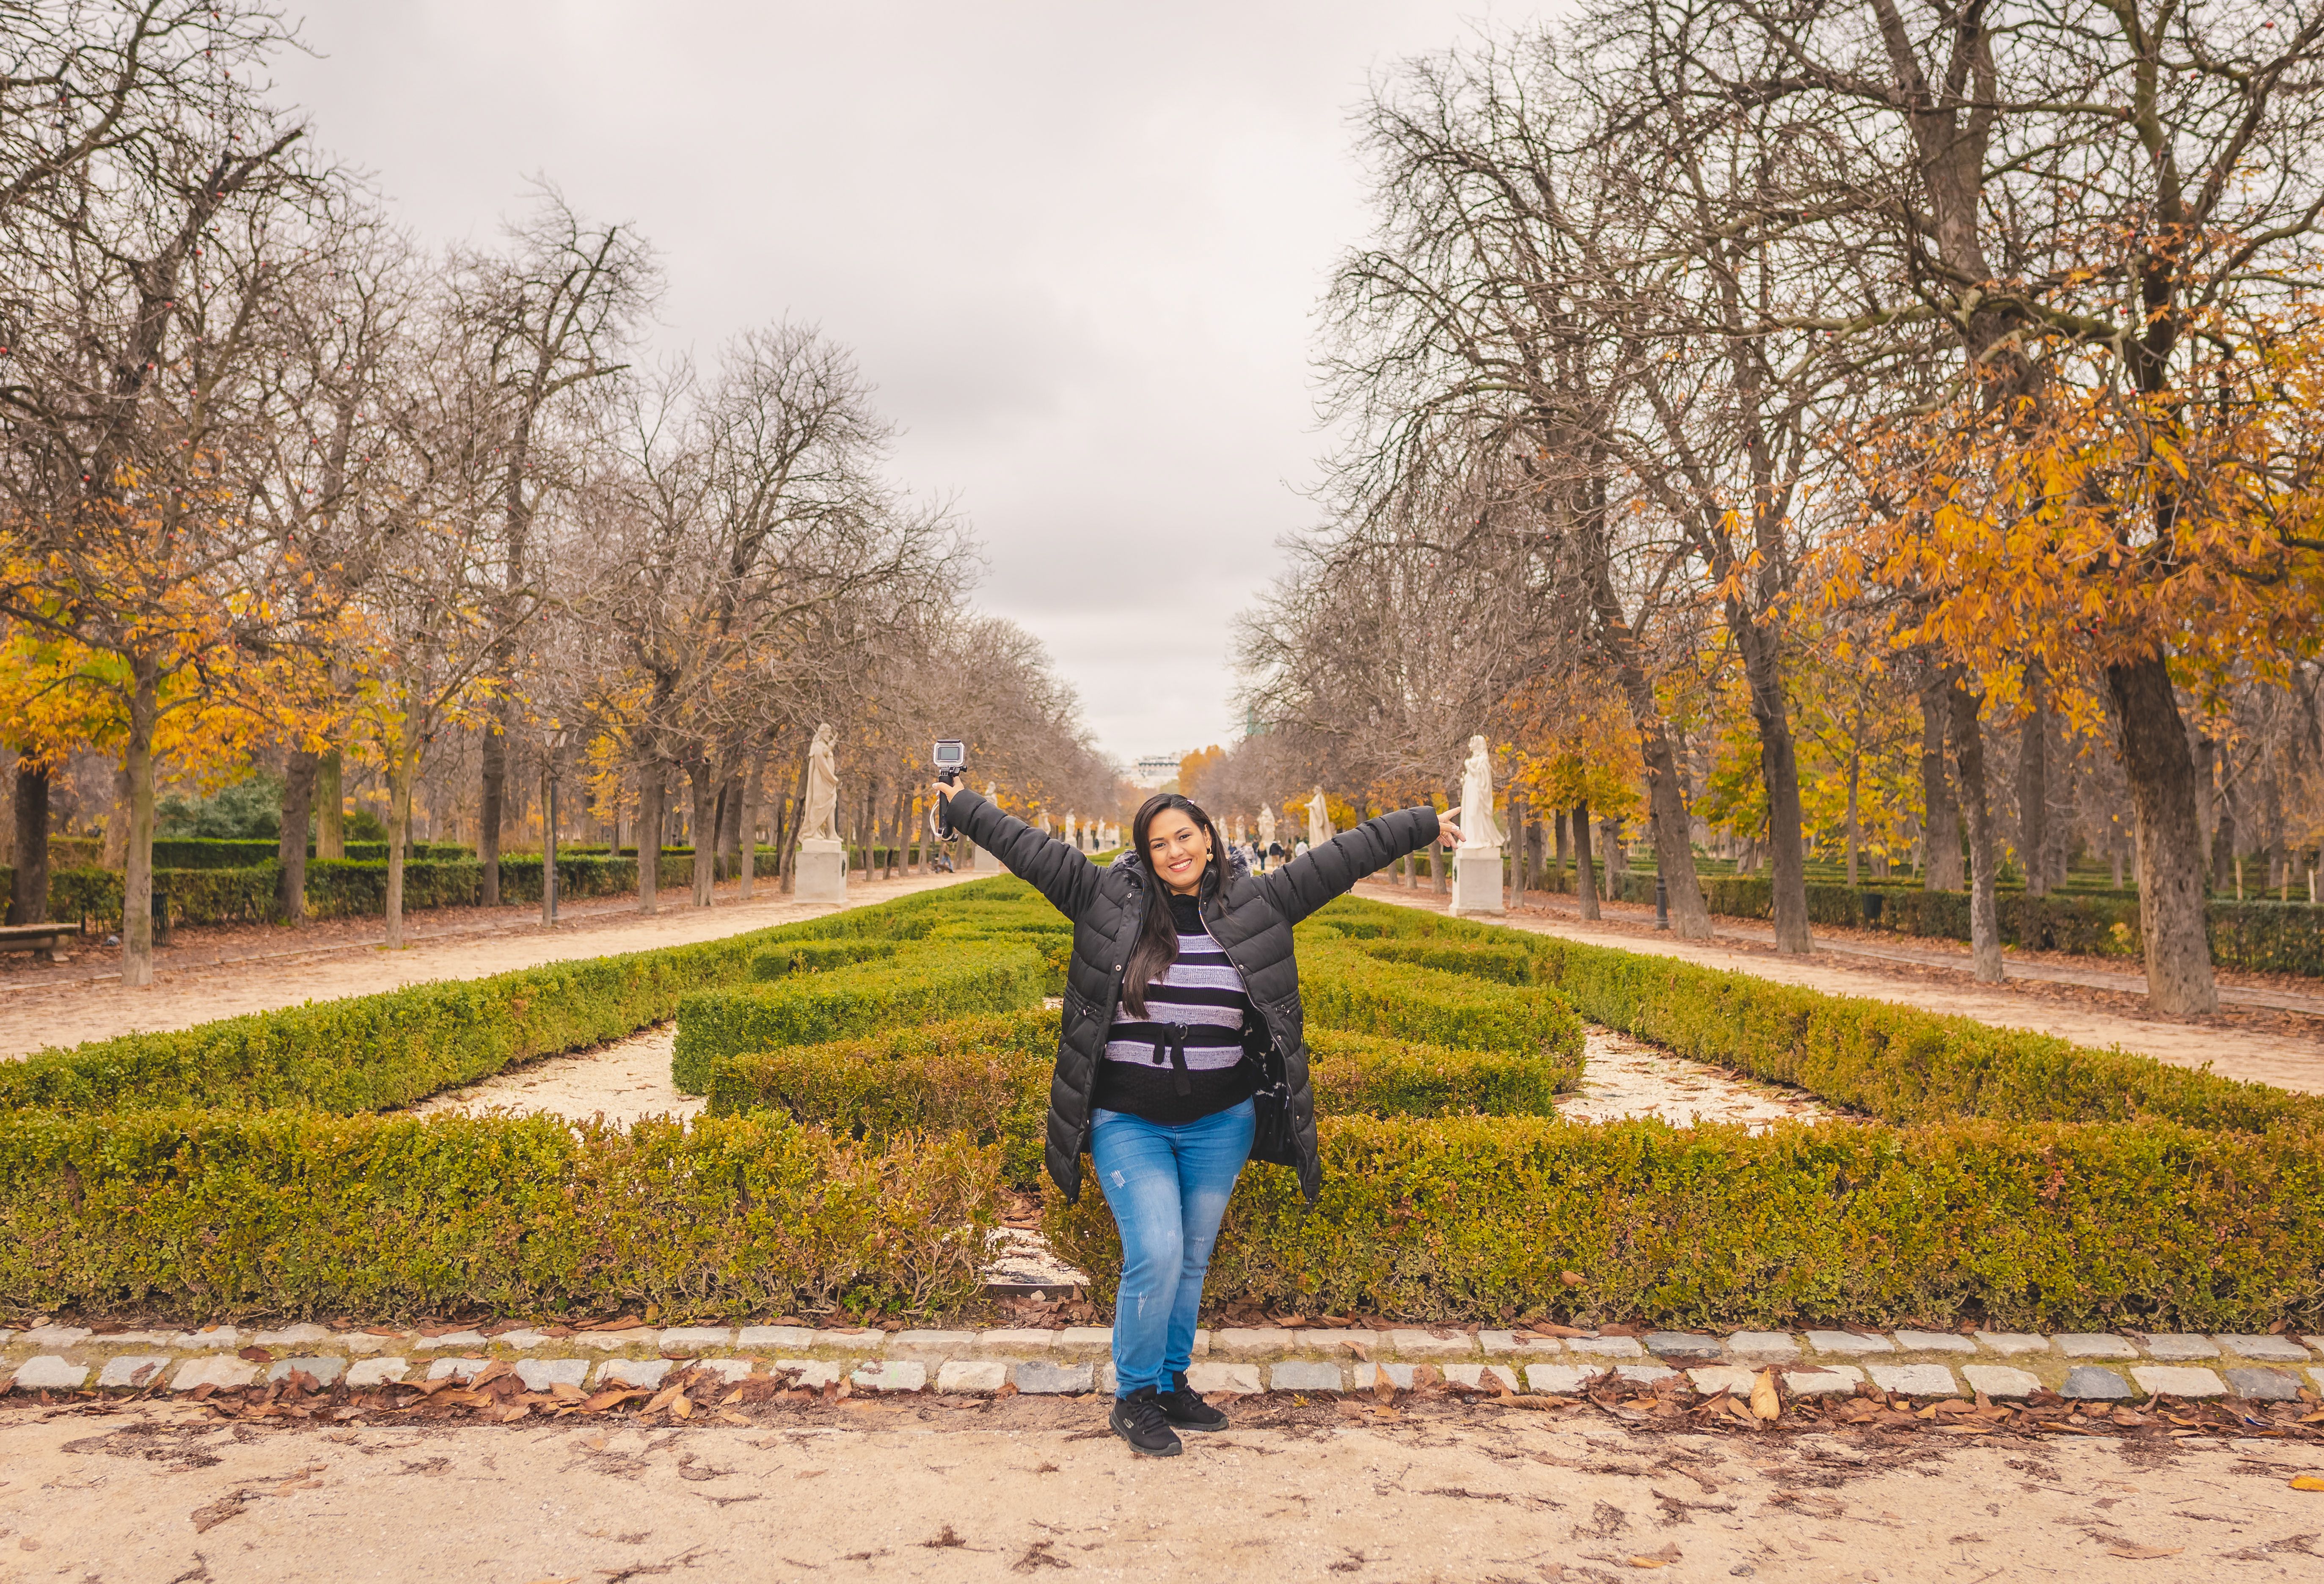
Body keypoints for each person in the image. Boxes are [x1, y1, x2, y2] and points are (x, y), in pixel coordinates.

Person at [932, 780, 1460, 1457]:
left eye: (1184, 836)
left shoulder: (1260, 903)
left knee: (1191, 1261)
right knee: (1156, 1252)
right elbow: (1028, 848)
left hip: (1221, 1122)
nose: (1174, 851)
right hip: (1129, 1122)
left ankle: (1173, 1382)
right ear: (1145, 856)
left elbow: (1342, 858)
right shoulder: (1102, 899)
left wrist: (1421, 825)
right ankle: (1134, 1397)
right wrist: (963, 805)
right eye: (1158, 844)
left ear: (1208, 839)